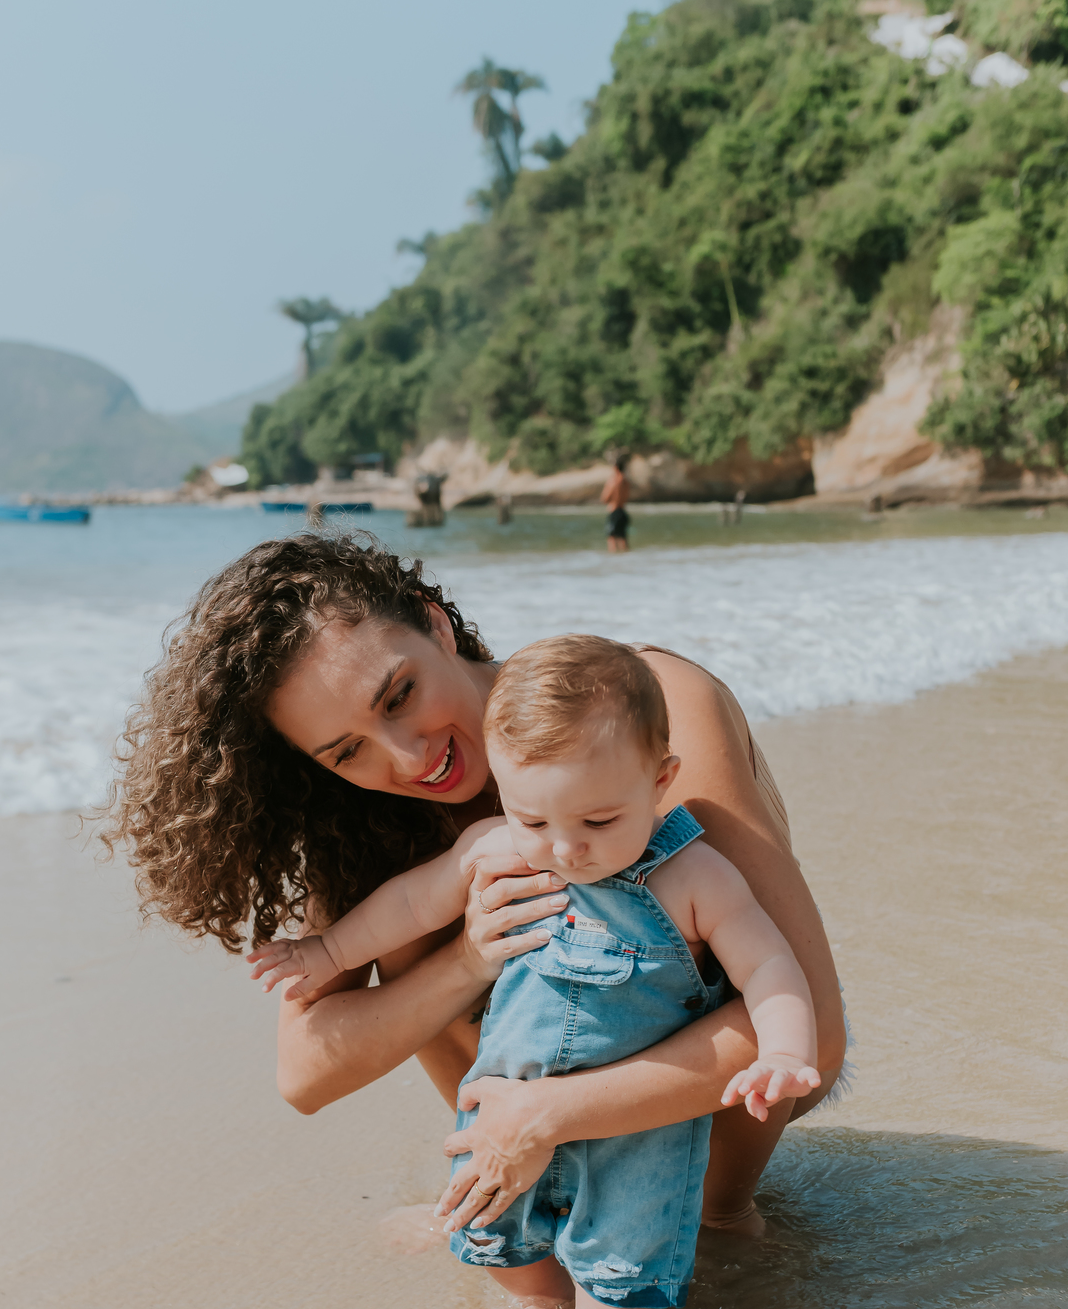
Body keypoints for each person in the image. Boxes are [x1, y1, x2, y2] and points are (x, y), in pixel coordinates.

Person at [101, 533, 845, 1251]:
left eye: (399, 696)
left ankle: (713, 1209)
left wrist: (549, 1116)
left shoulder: (638, 705)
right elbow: (304, 1074)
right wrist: (467, 959)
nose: (410, 756)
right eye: (348, 750)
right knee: (414, 929)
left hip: (725, 1102)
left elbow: (818, 1027)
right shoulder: (370, 822)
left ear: (433, 622)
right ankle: (526, 1199)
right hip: (533, 1128)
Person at [250, 636, 820, 1309]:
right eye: (532, 818)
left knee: (624, 1252)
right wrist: (326, 952)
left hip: (634, 1121)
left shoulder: (694, 877)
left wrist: (785, 1049)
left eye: (596, 819)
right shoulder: (497, 846)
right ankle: (534, 1301)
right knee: (498, 1228)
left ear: (660, 781)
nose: (562, 846)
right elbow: (412, 906)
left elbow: (771, 970)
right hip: (502, 1105)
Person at [601, 453, 632, 553]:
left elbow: (605, 498)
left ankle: (613, 562)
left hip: (614, 511)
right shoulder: (626, 481)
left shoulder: (613, 481)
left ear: (615, 467)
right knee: (623, 539)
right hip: (623, 512)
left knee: (611, 539)